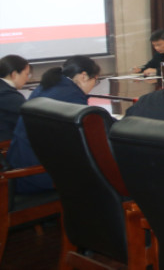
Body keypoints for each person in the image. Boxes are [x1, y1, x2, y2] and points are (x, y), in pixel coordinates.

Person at [7, 55, 101, 194]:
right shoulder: (71, 95)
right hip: (38, 175)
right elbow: (88, 136)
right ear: (84, 76)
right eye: (95, 80)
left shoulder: (50, 86)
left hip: (20, 167)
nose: (94, 85)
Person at [0, 55, 31, 141]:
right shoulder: (7, 94)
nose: (27, 79)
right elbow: (30, 114)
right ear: (14, 74)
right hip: (5, 141)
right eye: (26, 74)